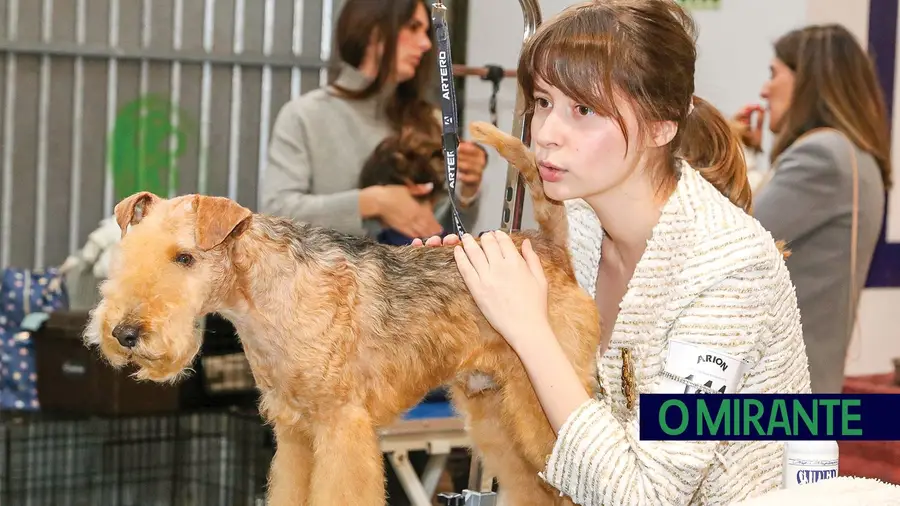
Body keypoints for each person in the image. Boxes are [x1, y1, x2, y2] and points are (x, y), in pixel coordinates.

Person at [415, 1, 812, 504]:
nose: (546, 133)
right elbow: (519, 398)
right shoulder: (580, 227)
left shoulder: (730, 270)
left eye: (583, 109)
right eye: (542, 101)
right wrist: (460, 310)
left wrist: (528, 327)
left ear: (660, 125)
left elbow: (646, 494)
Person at [732, 24, 891, 395]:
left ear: (807, 82)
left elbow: (734, 239)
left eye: (774, 74)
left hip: (780, 394)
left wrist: (717, 154)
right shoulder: (849, 155)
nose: (763, 90)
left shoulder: (822, 156)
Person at [259, 0, 487, 241]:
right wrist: (373, 203)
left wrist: (466, 192)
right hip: (328, 276)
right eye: (412, 27)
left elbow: (442, 231)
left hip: (412, 277)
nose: (426, 43)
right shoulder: (303, 116)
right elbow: (276, 213)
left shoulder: (429, 120)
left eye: (426, 32)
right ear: (372, 30)